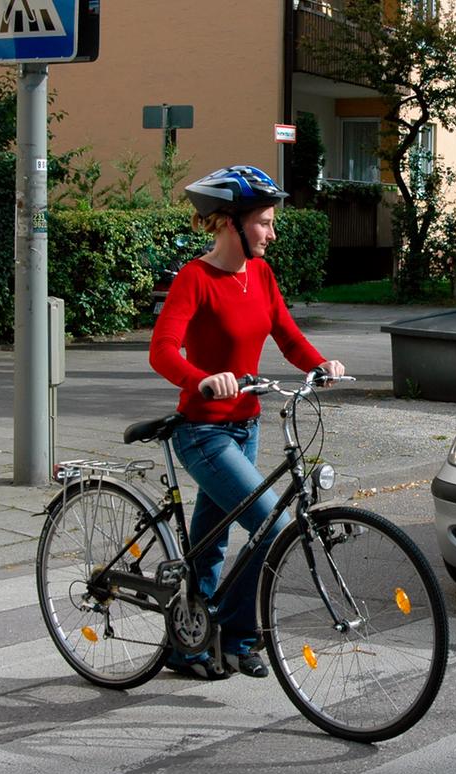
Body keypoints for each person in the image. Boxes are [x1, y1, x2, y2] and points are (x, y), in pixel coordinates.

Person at [148, 165, 345, 680]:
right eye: (263, 222)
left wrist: (319, 365)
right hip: (204, 432)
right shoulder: (196, 279)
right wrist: (202, 379)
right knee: (272, 527)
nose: (271, 233)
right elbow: (162, 350)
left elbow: (285, 332)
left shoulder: (260, 275)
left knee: (212, 539)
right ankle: (238, 636)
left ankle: (189, 641)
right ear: (230, 223)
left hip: (246, 425)